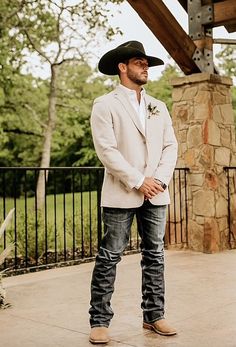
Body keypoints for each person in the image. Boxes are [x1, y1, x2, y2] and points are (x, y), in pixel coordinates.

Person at [89, 41, 178, 344]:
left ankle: (154, 315)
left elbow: (170, 146)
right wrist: (138, 180)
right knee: (110, 255)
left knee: (155, 254)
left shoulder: (159, 106)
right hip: (121, 191)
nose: (145, 67)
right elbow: (106, 150)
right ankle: (99, 321)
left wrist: (160, 181)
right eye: (139, 62)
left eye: (146, 63)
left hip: (157, 193)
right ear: (122, 67)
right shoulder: (105, 104)